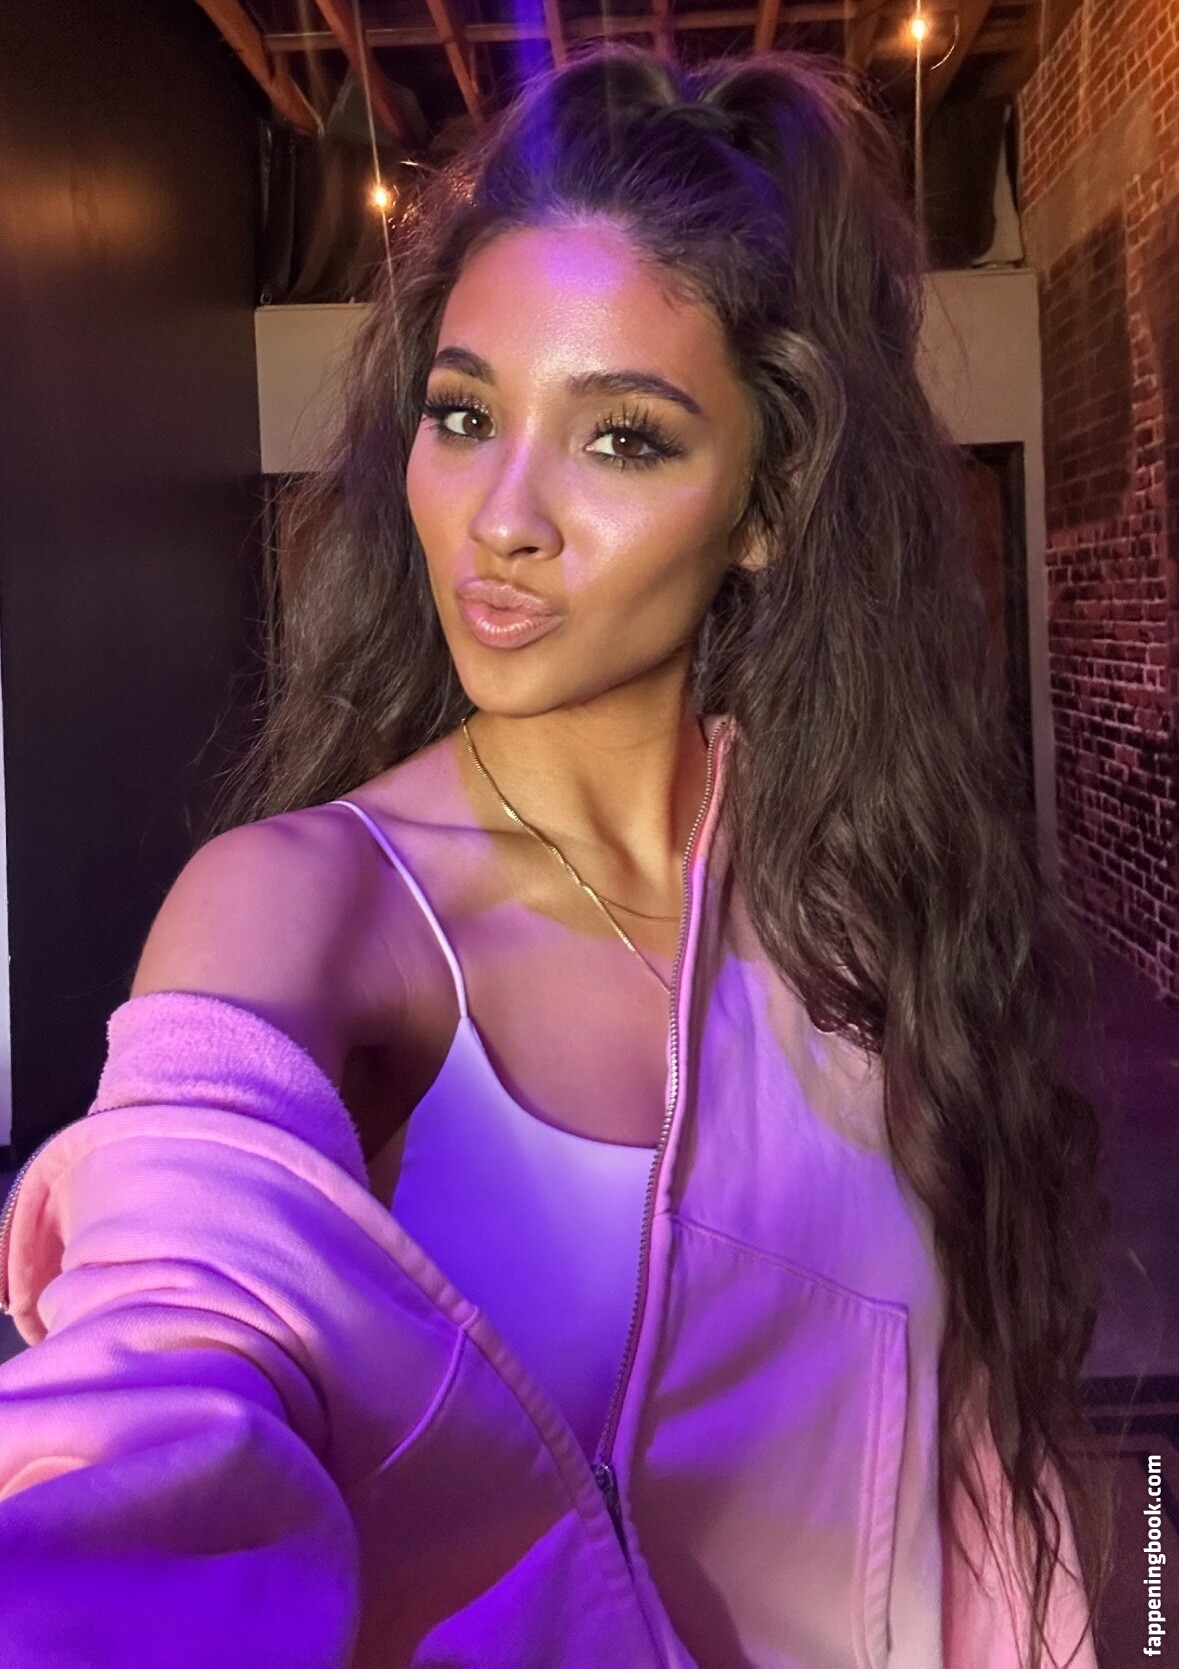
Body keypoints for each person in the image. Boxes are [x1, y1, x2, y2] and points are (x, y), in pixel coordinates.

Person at [0, 42, 1112, 1669]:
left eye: (622, 438)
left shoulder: (862, 899)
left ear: (767, 504)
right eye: (464, 413)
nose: (499, 514)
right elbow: (164, 1361)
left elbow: (969, 1458)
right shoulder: (308, 902)